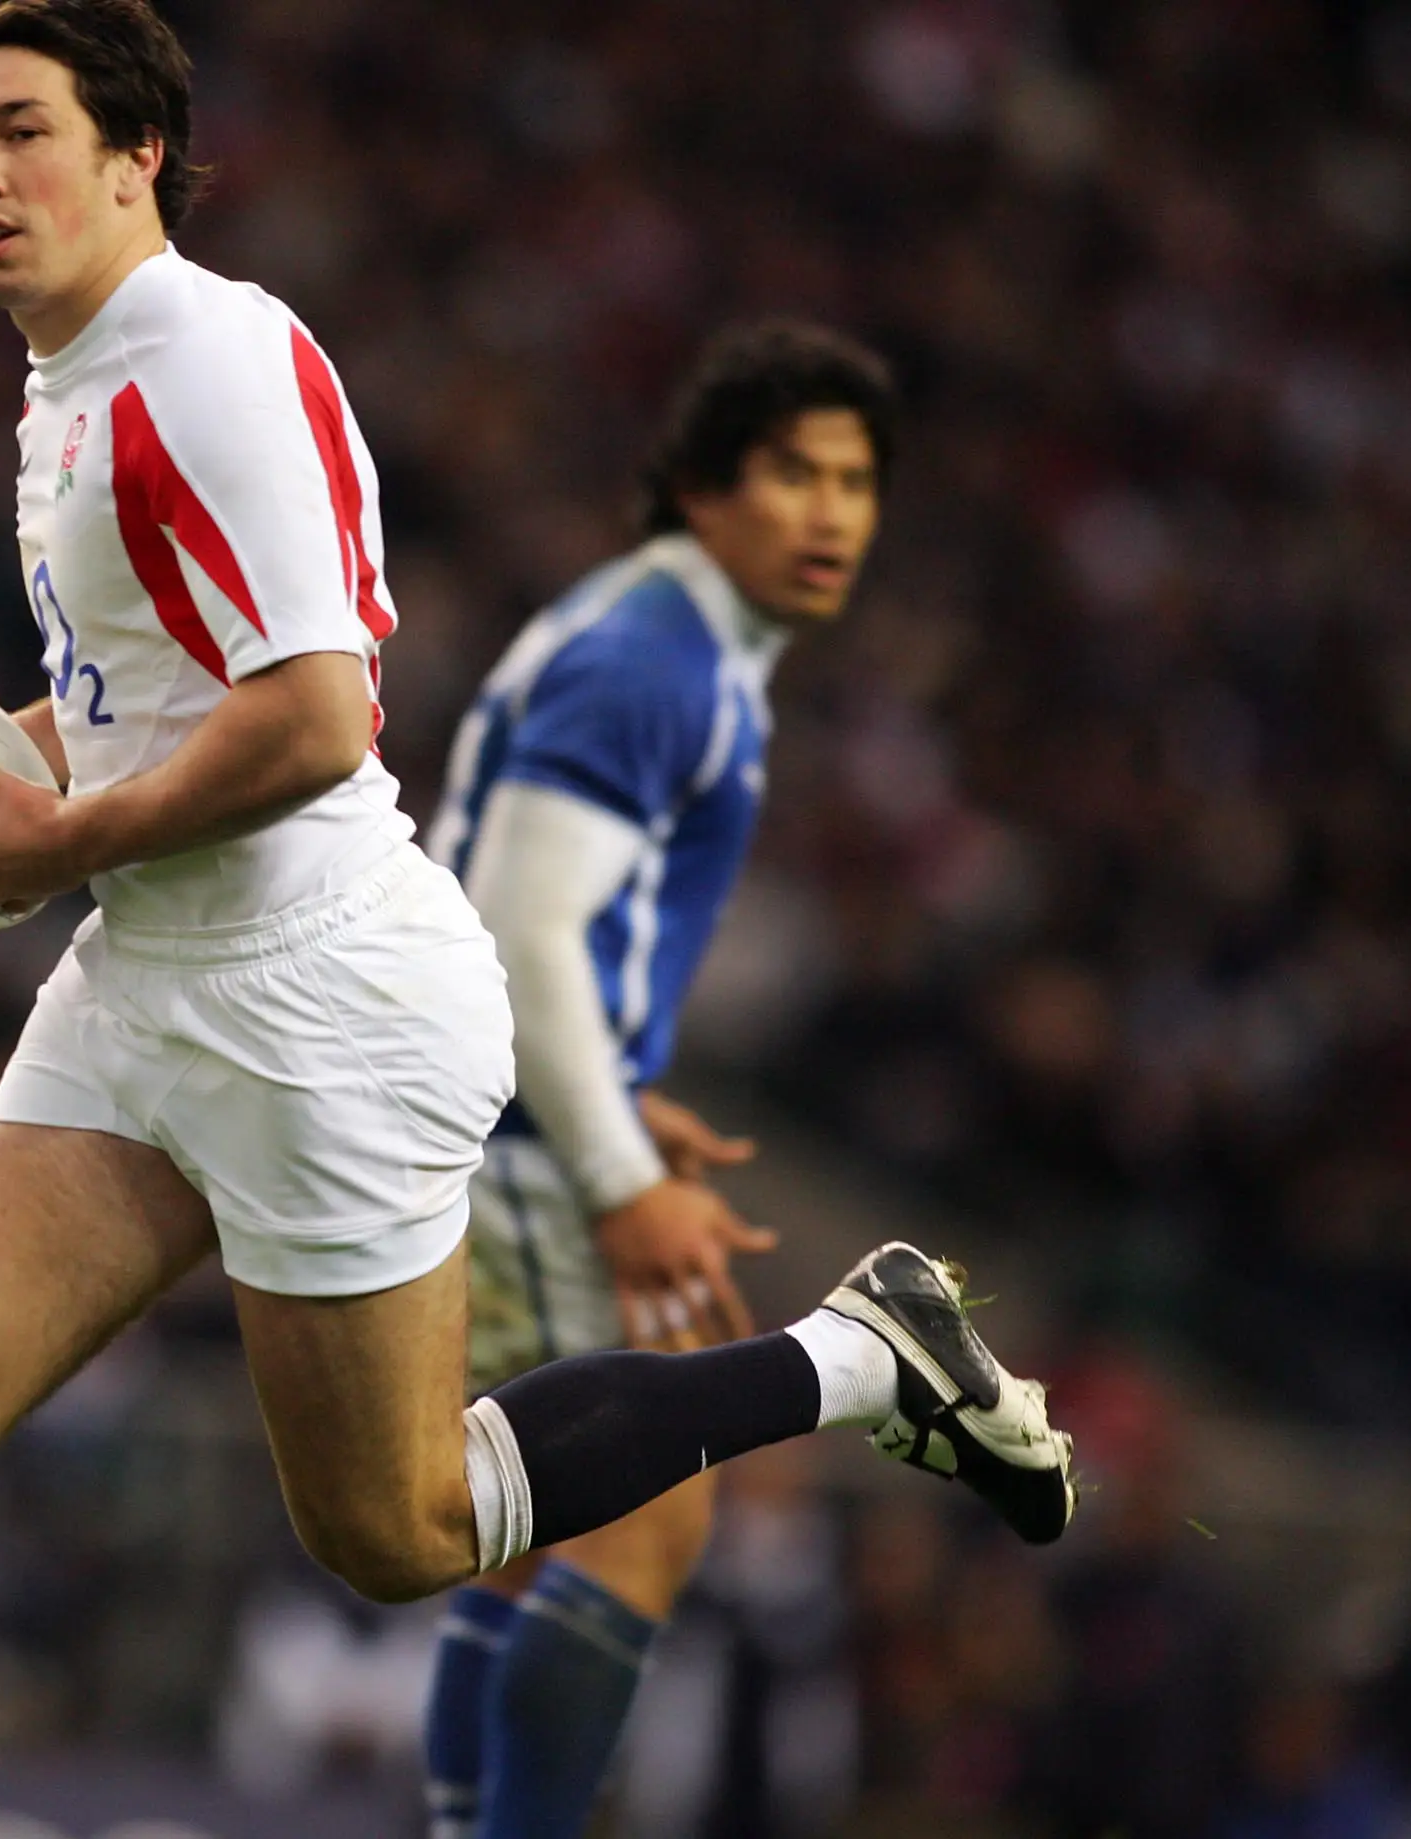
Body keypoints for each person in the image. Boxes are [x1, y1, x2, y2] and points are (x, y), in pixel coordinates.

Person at [0, 7, 1075, 1835]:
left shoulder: (206, 362)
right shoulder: (68, 376)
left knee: (397, 1528)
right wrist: (19, 774)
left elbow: (317, 714)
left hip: (319, 996)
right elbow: (147, 684)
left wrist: (56, 834)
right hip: (154, 974)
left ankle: (866, 1355)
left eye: (19, 131)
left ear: (134, 152)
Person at [417, 319, 942, 1839]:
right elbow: (520, 924)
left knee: (517, 1537)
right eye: (792, 471)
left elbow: (493, 893)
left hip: (499, 1115)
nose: (832, 511)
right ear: (703, 485)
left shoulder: (660, 636)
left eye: (856, 479)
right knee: (631, 1527)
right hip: (518, 1145)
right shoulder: (656, 655)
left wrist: (616, 1092)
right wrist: (619, 1169)